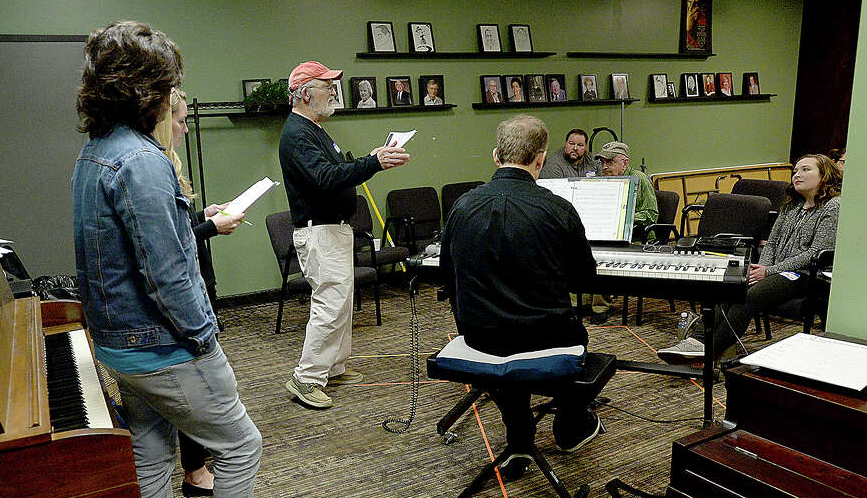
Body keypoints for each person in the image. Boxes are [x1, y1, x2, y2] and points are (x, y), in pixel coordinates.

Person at [71, 20, 313, 498]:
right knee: (240, 445)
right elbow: (168, 275)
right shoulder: (143, 161)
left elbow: (133, 246)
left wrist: (192, 219)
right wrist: (206, 339)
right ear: (149, 88)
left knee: (151, 453)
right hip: (165, 346)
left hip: (118, 345)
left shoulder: (94, 155)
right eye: (172, 85)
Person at [442, 114, 602, 462]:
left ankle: (519, 431)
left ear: (496, 156)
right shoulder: (559, 210)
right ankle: (570, 427)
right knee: (577, 338)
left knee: (504, 340)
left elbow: (447, 275)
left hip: (478, 337)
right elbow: (585, 280)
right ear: (541, 159)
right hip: (547, 339)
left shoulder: (461, 206)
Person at [280, 60, 410, 409]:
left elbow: (336, 171)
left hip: (332, 230)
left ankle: (332, 368)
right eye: (327, 85)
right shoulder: (297, 134)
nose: (333, 90)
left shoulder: (313, 129)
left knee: (341, 305)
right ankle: (306, 378)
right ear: (306, 94)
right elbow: (325, 177)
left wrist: (370, 162)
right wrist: (373, 162)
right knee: (330, 305)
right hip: (319, 233)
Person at [149, 86, 245, 498]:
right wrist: (211, 227)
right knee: (195, 396)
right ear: (159, 118)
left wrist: (203, 215)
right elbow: (170, 244)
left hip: (197, 283)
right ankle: (195, 471)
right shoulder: (149, 169)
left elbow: (179, 227)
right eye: (181, 120)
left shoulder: (165, 161)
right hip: (181, 304)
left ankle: (196, 467)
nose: (186, 129)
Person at [658, 154, 842, 363]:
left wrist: (768, 271)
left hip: (805, 275)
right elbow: (771, 243)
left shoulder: (832, 206)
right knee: (732, 285)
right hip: (775, 270)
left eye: (806, 170)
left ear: (824, 174)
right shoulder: (791, 205)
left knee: (751, 295)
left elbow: (813, 254)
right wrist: (762, 267)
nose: (797, 175)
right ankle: (696, 341)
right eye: (795, 171)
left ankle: (709, 352)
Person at [587, 141, 657, 323]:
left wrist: (624, 218)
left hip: (638, 237)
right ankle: (579, 302)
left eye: (609, 162)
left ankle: (600, 307)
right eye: (602, 162)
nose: (604, 167)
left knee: (603, 255)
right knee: (581, 250)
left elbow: (651, 214)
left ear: (624, 163)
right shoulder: (606, 180)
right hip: (610, 233)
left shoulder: (639, 179)